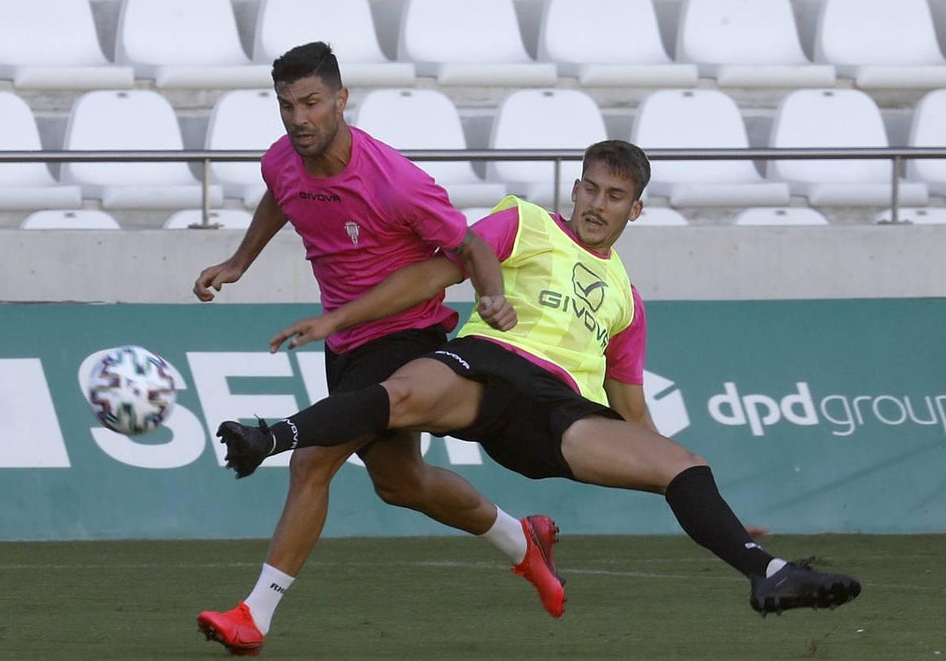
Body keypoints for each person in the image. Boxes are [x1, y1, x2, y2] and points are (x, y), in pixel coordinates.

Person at [217, 139, 862, 621]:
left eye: (613, 197)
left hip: (561, 416)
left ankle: (766, 572)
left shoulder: (627, 300)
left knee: (683, 462)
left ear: (635, 210)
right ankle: (267, 439)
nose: (596, 206)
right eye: (589, 190)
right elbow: (441, 272)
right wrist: (342, 317)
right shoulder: (524, 222)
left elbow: (633, 412)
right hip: (489, 371)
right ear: (574, 190)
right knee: (401, 396)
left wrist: (727, 516)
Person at [193, 42, 564, 657]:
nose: (299, 118)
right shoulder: (282, 161)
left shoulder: (394, 180)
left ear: (341, 99)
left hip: (405, 336)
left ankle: (253, 615)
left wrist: (492, 297)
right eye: (286, 105)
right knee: (401, 483)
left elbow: (470, 246)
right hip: (344, 341)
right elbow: (280, 195)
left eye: (311, 102)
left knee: (312, 461)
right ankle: (522, 542)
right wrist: (238, 261)